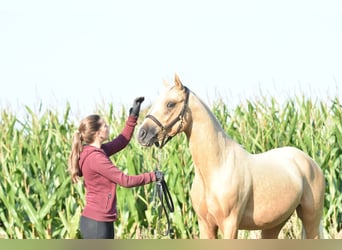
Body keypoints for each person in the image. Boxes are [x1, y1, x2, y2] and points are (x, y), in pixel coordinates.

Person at [68, 97, 162, 239]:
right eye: (104, 125)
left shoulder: (97, 151)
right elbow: (125, 181)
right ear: (98, 133)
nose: (108, 127)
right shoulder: (96, 158)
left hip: (99, 221)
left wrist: (133, 117)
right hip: (97, 224)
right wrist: (153, 176)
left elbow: (121, 141)